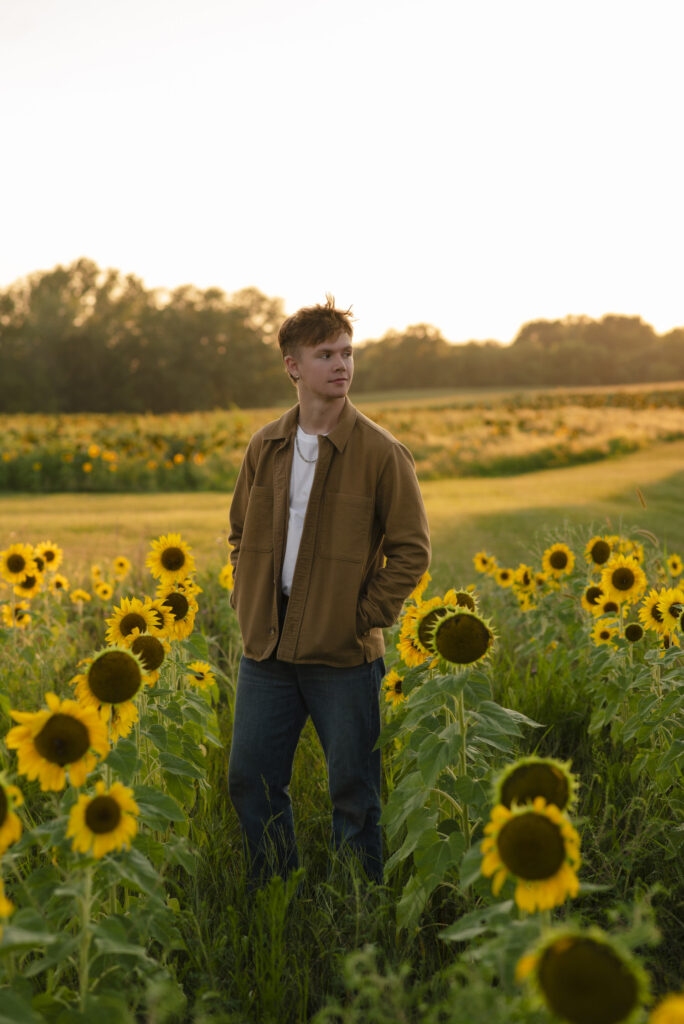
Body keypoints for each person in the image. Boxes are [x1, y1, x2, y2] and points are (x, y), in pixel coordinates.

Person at [227, 295, 430, 884]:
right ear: (293, 366)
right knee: (252, 780)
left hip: (343, 655)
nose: (341, 365)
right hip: (265, 648)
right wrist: (246, 598)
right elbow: (240, 533)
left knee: (354, 792)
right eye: (325, 354)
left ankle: (357, 907)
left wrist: (359, 617)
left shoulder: (382, 453)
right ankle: (275, 891)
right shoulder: (265, 445)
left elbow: (411, 550)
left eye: (346, 353)